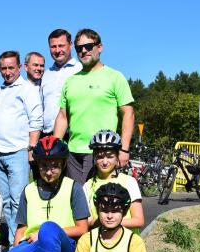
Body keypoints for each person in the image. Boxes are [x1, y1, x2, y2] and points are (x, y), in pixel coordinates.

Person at [0, 136, 89, 252]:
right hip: (35, 243)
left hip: (64, 246)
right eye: (44, 165)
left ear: (63, 164)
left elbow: (83, 228)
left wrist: (44, 234)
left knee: (48, 229)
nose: (49, 171)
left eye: (55, 165)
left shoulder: (73, 188)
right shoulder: (29, 190)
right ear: (38, 165)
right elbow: (22, 228)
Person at [53, 28, 135, 184]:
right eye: (79, 48)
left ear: (100, 47)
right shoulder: (71, 81)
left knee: (99, 202)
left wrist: (124, 149)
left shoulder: (115, 77)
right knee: (77, 203)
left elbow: (128, 113)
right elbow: (63, 117)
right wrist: (55, 148)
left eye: (88, 46)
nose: (84, 51)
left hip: (101, 152)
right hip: (73, 153)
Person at [0, 50, 43, 245]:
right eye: (3, 68)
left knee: (19, 201)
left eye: (11, 67)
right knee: (4, 202)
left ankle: (18, 244)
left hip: (17, 152)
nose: (7, 72)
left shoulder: (27, 89)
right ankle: (12, 241)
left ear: (20, 67)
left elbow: (36, 120)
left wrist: (31, 149)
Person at [84, 130, 144, 232]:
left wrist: (110, 222)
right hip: (101, 241)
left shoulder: (129, 182)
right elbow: (88, 221)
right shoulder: (88, 185)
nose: (105, 162)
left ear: (117, 158)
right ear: (94, 158)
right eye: (100, 157)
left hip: (127, 242)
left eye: (110, 156)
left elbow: (139, 220)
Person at [40, 29, 82, 137]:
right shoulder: (45, 75)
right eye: (53, 47)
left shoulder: (80, 69)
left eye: (61, 45)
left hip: (73, 134)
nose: (57, 50)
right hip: (47, 135)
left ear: (71, 45)